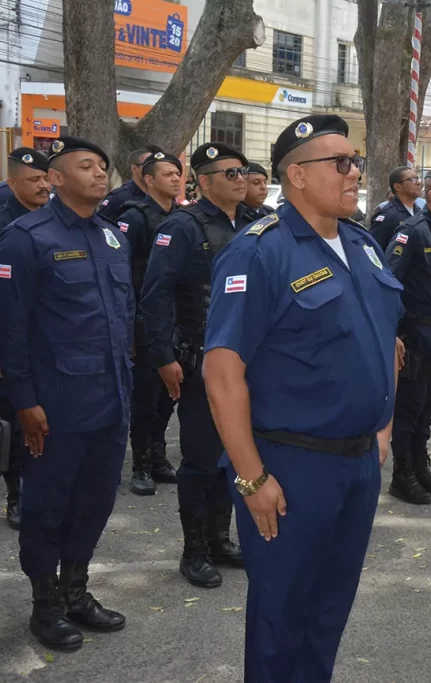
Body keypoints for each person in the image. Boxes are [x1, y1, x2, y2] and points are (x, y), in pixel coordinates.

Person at [202, 114, 402, 682]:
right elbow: (222, 374)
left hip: (358, 462)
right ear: (296, 175)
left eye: (356, 161)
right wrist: (250, 477)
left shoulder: (362, 245)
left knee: (329, 609)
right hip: (290, 465)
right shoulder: (259, 252)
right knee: (282, 613)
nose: (355, 172)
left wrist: (382, 431)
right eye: (340, 163)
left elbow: (389, 338)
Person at [0, 136, 133, 651]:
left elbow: (123, 316)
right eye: (86, 166)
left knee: (94, 502)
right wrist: (24, 401)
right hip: (55, 405)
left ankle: (77, 591)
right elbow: (10, 330)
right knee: (47, 504)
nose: (100, 174)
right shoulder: (26, 238)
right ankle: (45, 605)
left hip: (110, 398)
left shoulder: (113, 236)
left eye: (103, 166)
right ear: (55, 178)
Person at [140, 143, 250, 588]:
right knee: (202, 459)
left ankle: (221, 539)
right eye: (229, 173)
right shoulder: (182, 227)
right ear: (204, 182)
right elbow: (156, 294)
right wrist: (163, 357)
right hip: (200, 361)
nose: (240, 179)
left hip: (245, 363)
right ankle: (195, 550)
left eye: (242, 171)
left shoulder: (254, 225)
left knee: (235, 456)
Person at [0, 146, 52, 529]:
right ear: (14, 182)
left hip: (49, 338)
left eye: (45, 179)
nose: (42, 186)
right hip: (10, 336)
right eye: (34, 180)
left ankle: (42, 487)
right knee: (15, 417)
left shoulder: (57, 219)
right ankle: (16, 493)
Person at [384, 167, 431, 504]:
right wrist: (393, 333)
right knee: (409, 409)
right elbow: (388, 283)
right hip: (417, 336)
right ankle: (402, 475)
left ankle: (419, 465)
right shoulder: (411, 232)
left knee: (430, 406)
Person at [115, 151, 183, 497]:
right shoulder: (135, 217)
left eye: (178, 173)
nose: (175, 178)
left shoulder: (185, 219)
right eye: (168, 174)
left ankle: (158, 454)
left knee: (169, 395)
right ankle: (140, 462)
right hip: (143, 318)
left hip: (176, 320)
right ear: (148, 178)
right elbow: (122, 273)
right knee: (145, 394)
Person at [97, 146, 163, 224]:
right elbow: (101, 225)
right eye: (148, 165)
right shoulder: (119, 197)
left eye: (155, 166)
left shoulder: (160, 195)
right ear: (134, 169)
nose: (152, 170)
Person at [369, 165, 421, 249]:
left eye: (417, 178)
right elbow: (373, 248)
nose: (418, 183)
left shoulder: (419, 212)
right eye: (412, 180)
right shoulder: (388, 216)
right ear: (398, 187)